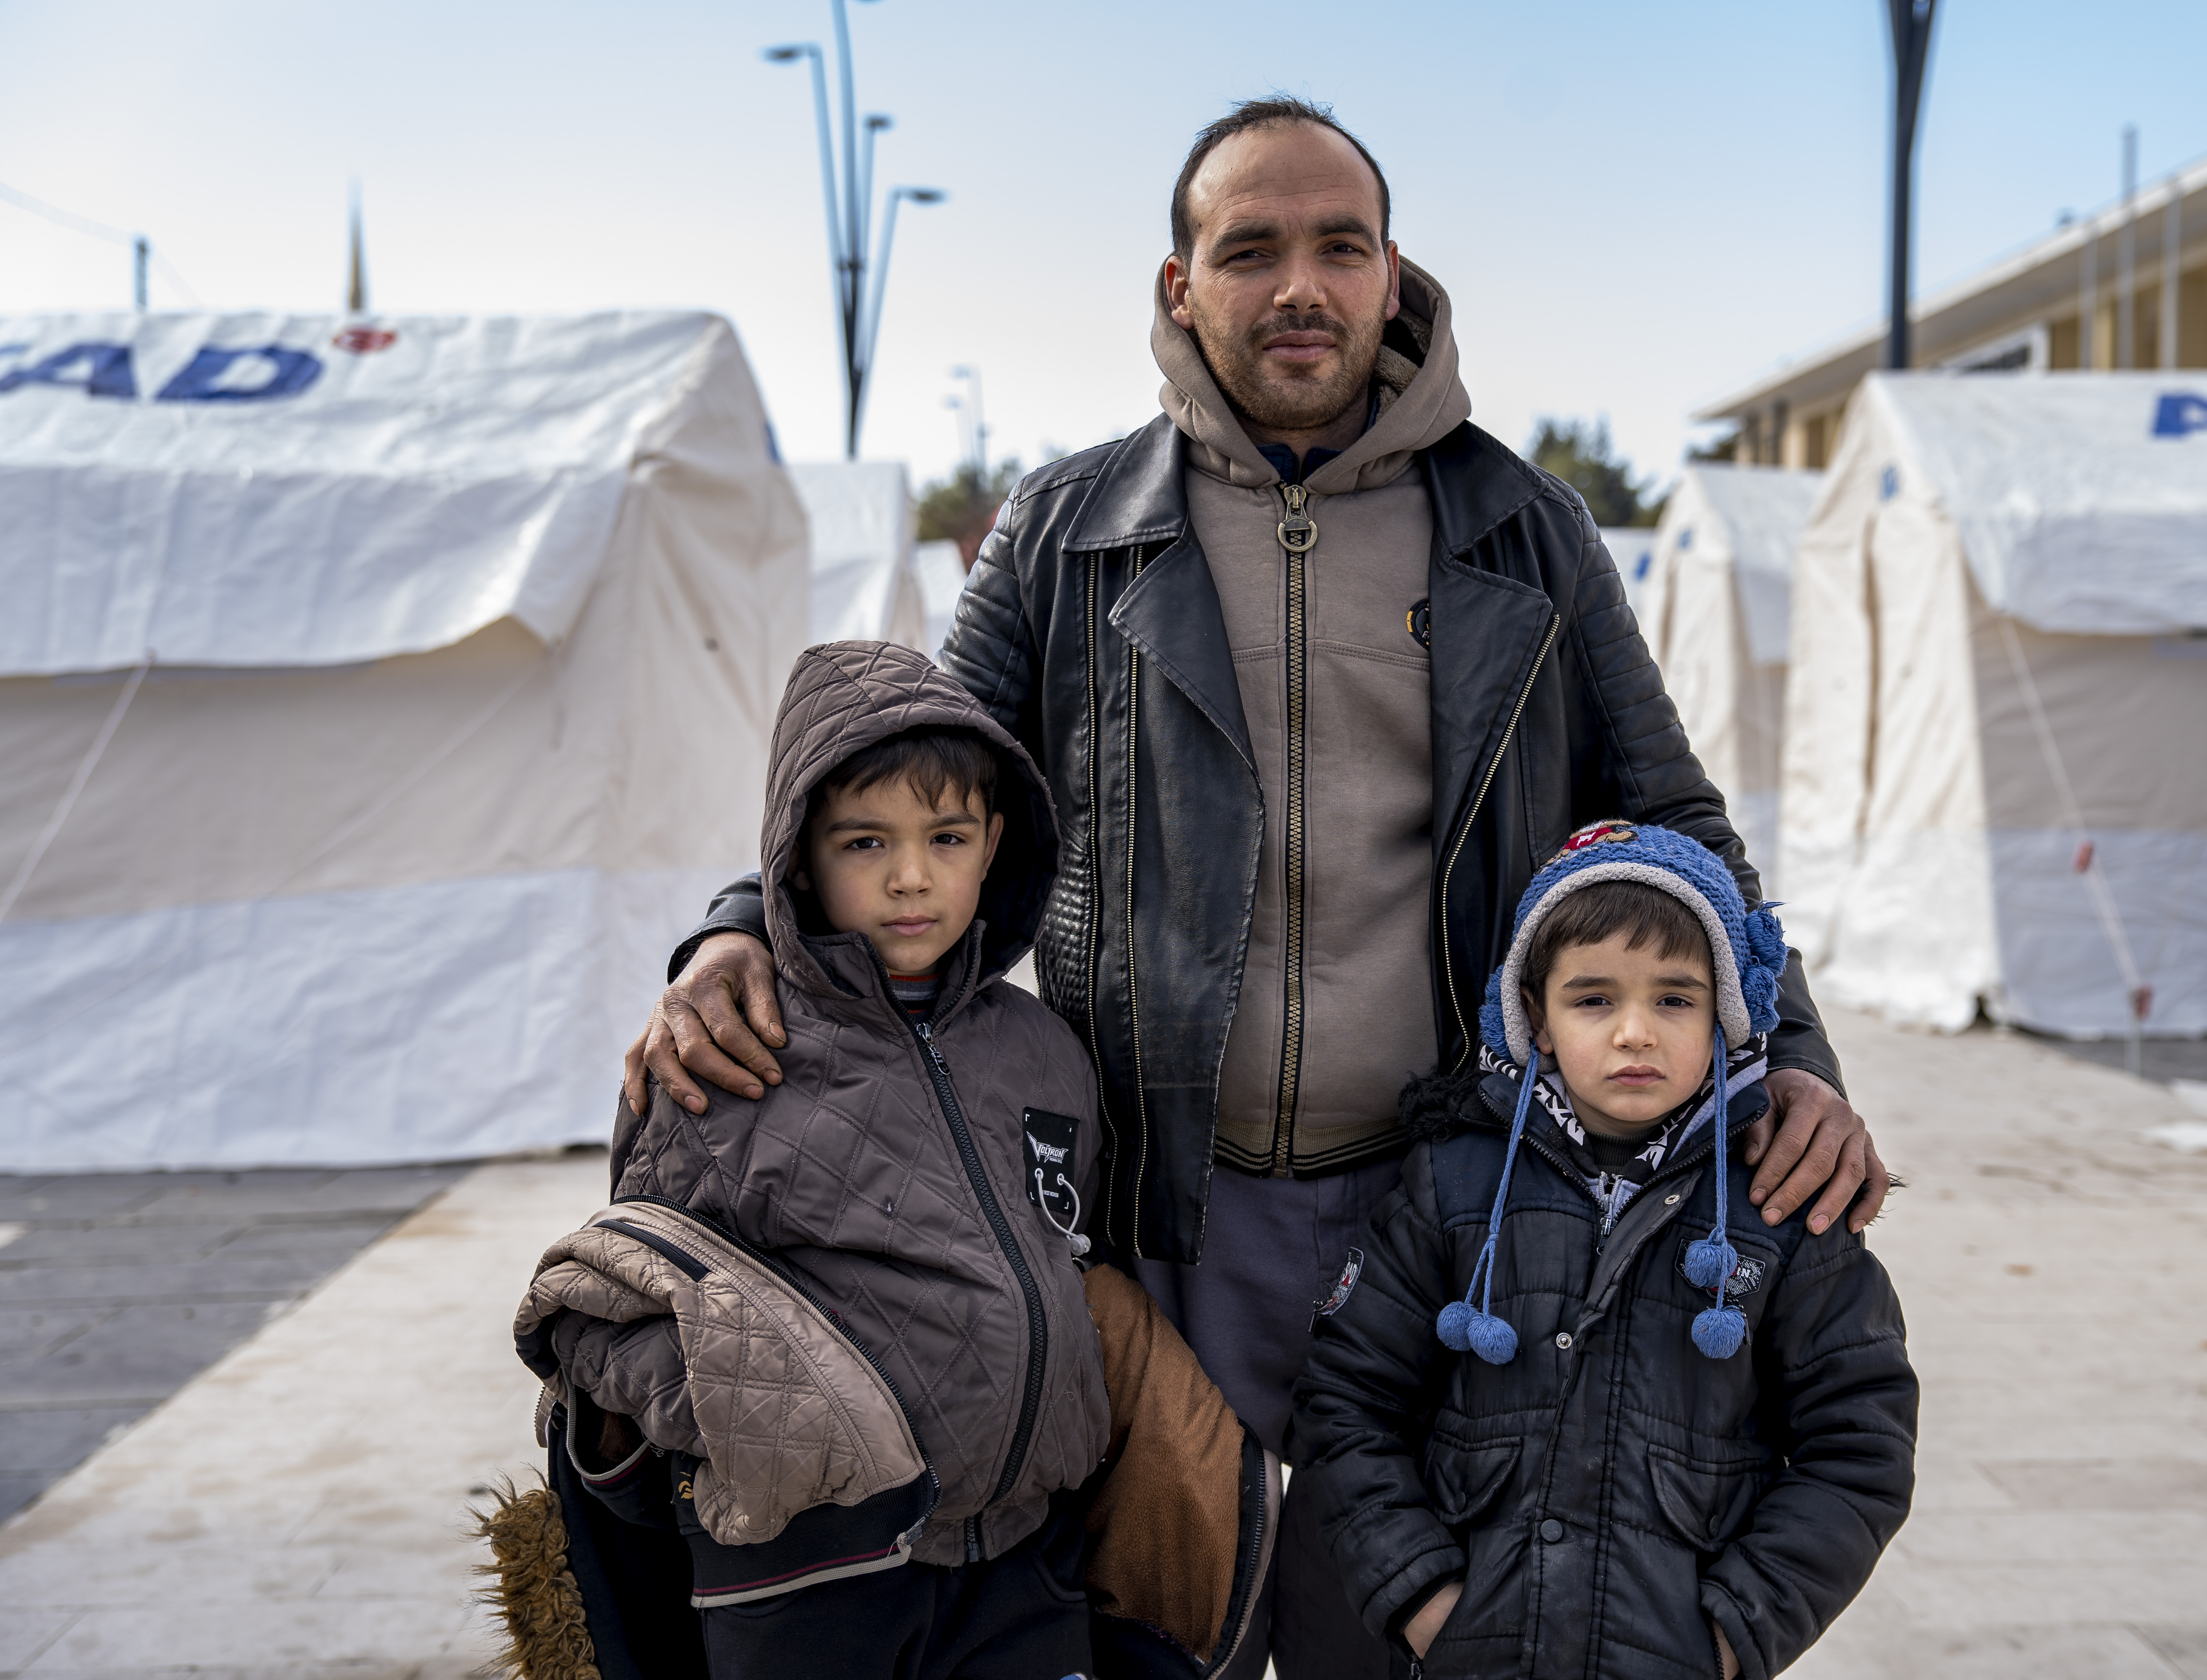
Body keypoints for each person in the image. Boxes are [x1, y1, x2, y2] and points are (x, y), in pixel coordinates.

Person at [624, 97, 1894, 1677]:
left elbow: (1675, 819)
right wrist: (737, 931)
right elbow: (911, 772)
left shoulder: (1526, 530)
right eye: (1250, 250)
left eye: (1337, 248)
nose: (1300, 285)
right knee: (1173, 1636)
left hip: (1452, 1205)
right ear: (1180, 286)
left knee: (1392, 1633)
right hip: (1160, 1212)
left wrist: (1795, 1060)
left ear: (1389, 276)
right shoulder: (1069, 531)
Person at [548, 642, 1115, 1678]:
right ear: (798, 856)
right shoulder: (724, 1057)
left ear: (994, 843)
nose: (911, 876)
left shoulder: (1044, 1052)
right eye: (865, 842)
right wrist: (759, 1427)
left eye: (947, 837)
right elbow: (615, 1301)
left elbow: (1068, 1252)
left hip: (1021, 1559)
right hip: (803, 1579)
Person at [1291, 821, 1917, 1680]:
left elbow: (1858, 1446)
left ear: (1725, 1012)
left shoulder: (1780, 1202)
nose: (1634, 1032)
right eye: (1592, 999)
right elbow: (1345, 1401)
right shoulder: (1451, 1185)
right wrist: (1423, 1600)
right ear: (1536, 1017)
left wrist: (1731, 1633)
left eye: (1674, 999)